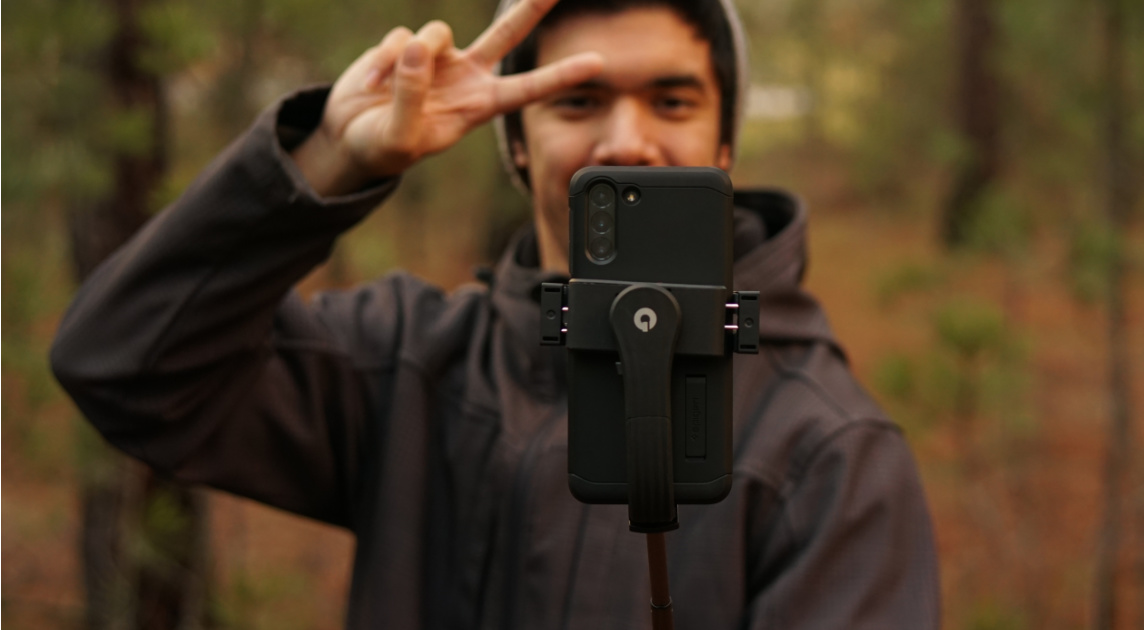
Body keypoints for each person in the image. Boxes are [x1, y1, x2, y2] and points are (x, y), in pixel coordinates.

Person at [50, 0, 941, 627]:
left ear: (724, 144)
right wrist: (328, 156)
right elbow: (124, 364)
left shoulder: (825, 447)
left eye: (672, 99)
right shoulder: (409, 363)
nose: (626, 139)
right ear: (516, 142)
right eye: (577, 101)